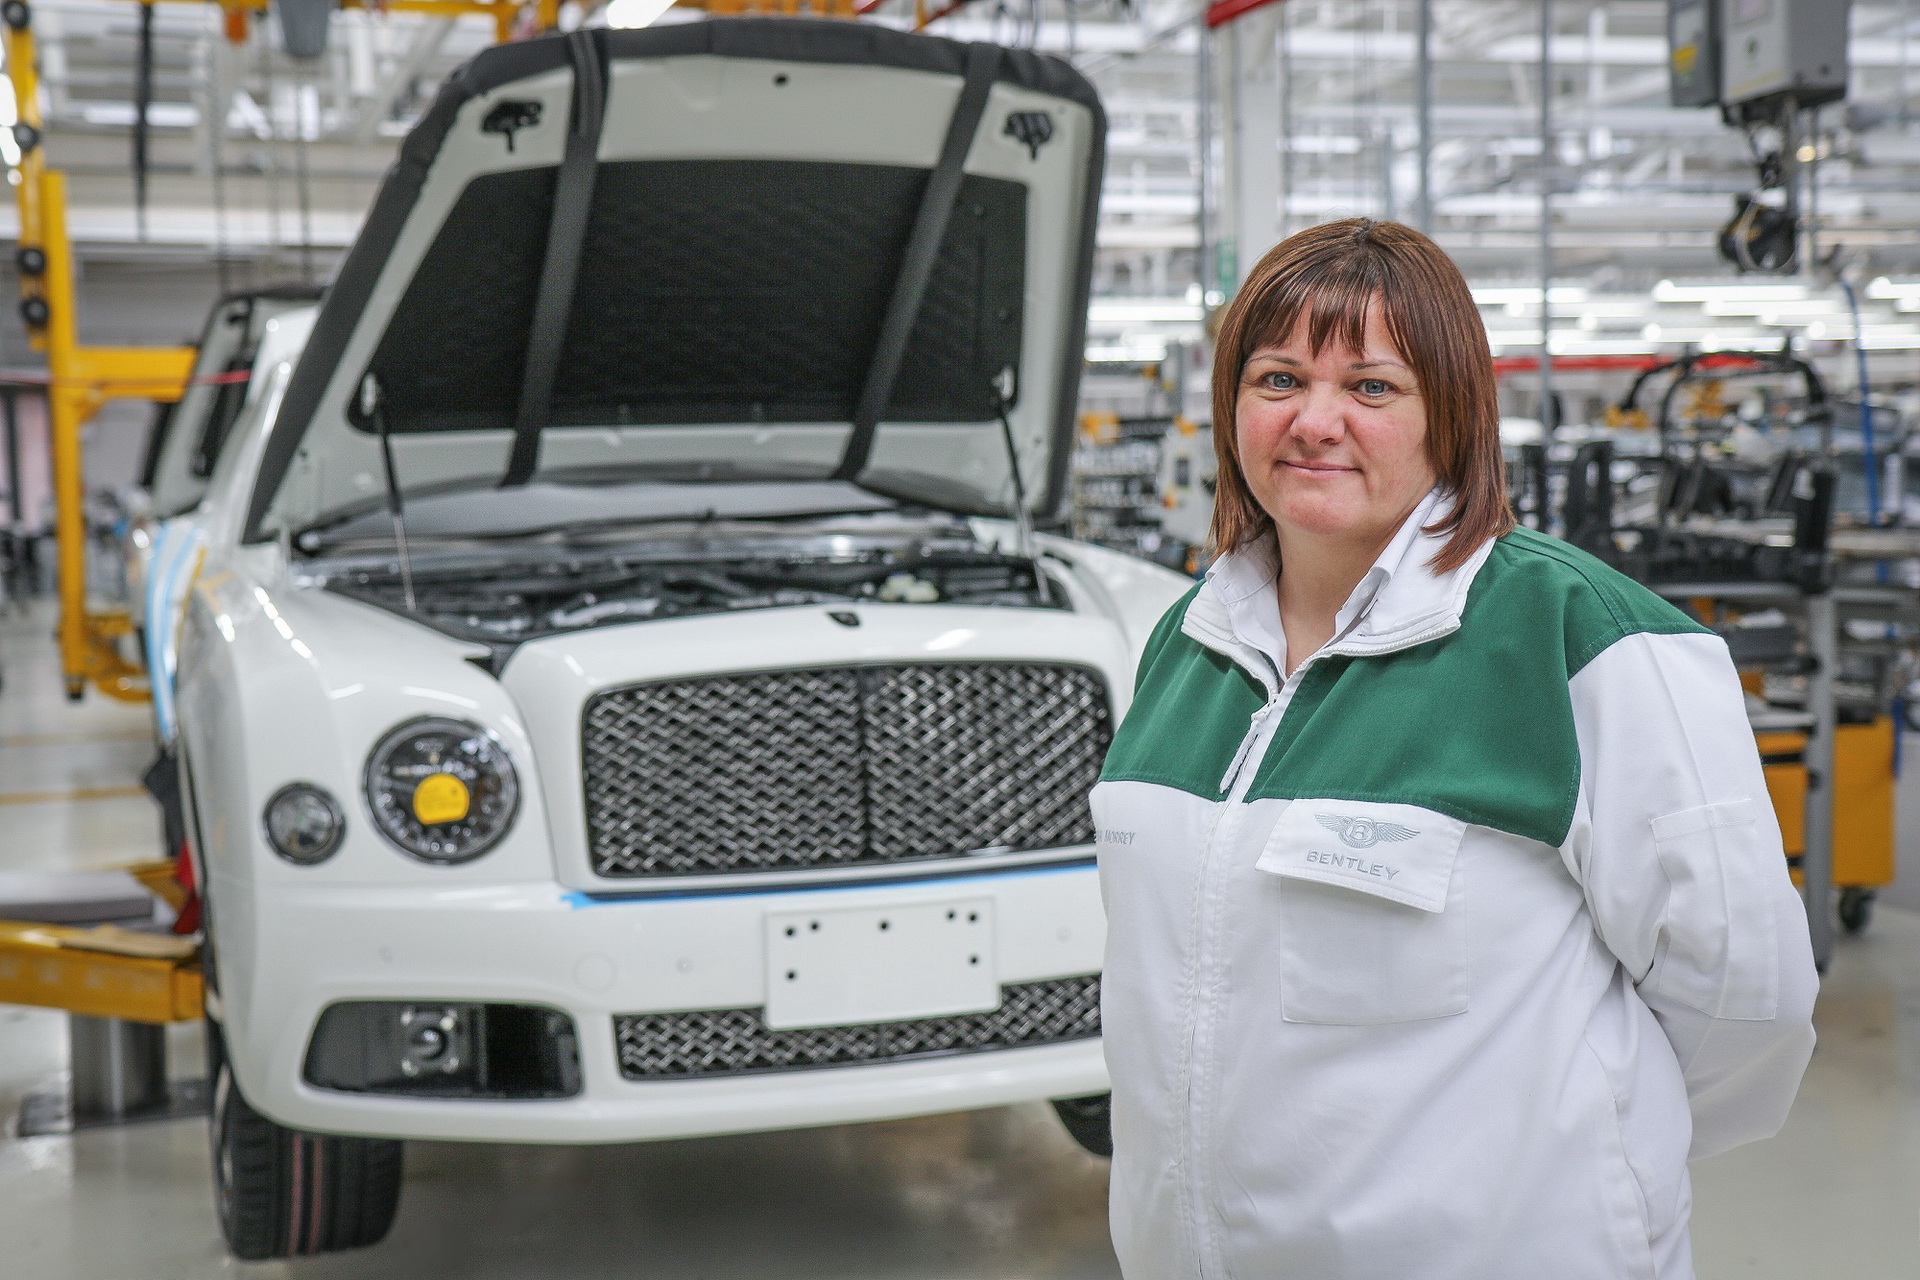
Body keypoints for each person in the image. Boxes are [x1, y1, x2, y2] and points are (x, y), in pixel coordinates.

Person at [1092, 219, 1818, 1280]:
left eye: (1372, 387)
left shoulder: (1576, 636)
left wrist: (1575, 1161)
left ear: (1453, 414)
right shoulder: (1187, 639)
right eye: (1278, 376)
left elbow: (1745, 999)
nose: (1315, 420)